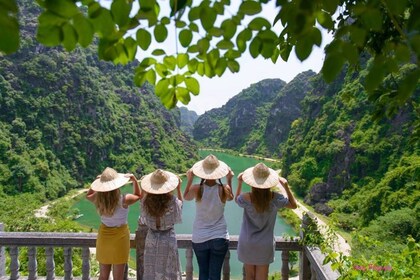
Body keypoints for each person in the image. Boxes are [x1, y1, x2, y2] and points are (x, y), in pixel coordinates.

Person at [235, 162, 297, 280]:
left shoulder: (246, 198)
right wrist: (286, 187)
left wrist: (239, 182)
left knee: (249, 276)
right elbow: (293, 205)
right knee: (262, 277)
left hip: (247, 242)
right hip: (265, 244)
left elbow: (236, 200)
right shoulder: (275, 198)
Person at [183, 154, 234, 280]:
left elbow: (185, 197)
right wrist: (230, 179)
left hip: (200, 237)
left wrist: (189, 179)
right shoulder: (224, 189)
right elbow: (231, 198)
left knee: (203, 274)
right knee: (215, 275)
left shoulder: (196, 189)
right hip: (219, 237)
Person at [86, 167, 141, 280]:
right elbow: (139, 195)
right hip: (121, 238)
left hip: (104, 238)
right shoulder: (124, 199)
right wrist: (135, 181)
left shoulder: (97, 198)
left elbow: (88, 195)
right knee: (118, 277)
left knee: (103, 276)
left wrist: (95, 183)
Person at [139, 169, 183, 280]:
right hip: (168, 238)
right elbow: (181, 205)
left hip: (151, 238)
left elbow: (141, 199)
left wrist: (143, 187)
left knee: (151, 271)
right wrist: (178, 188)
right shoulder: (172, 201)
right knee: (169, 271)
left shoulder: (146, 202)